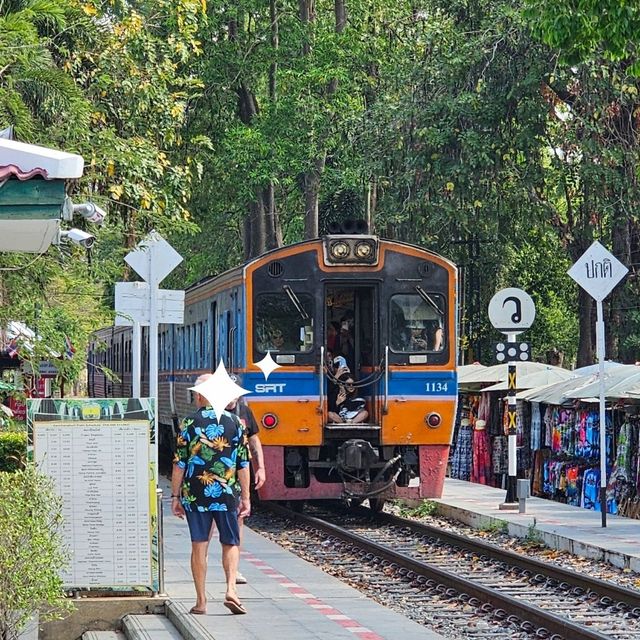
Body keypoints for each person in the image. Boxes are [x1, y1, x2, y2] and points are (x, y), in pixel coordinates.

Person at [171, 373, 251, 616]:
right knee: (231, 542)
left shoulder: (188, 424)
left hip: (196, 494)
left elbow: (179, 464)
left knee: (199, 545)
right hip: (227, 493)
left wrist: (175, 496)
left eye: (196, 394)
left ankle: (201, 601)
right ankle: (230, 590)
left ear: (201, 395)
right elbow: (243, 464)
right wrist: (246, 497)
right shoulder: (236, 423)